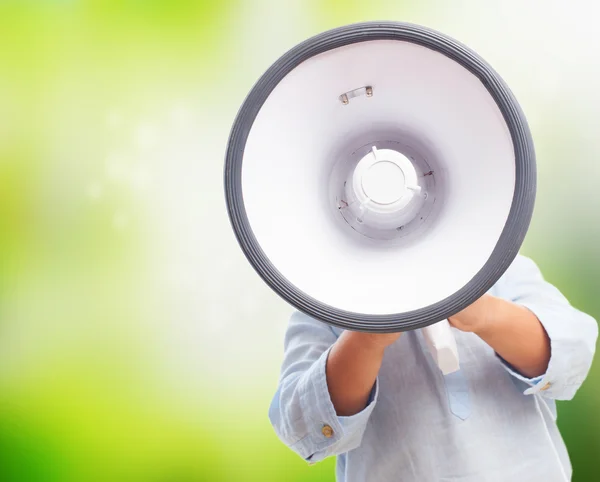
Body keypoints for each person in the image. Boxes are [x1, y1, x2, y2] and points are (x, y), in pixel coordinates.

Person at [268, 254, 598, 481]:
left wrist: (485, 313)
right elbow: (304, 425)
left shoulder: (500, 262)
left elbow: (573, 353)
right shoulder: (321, 300)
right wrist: (366, 337)